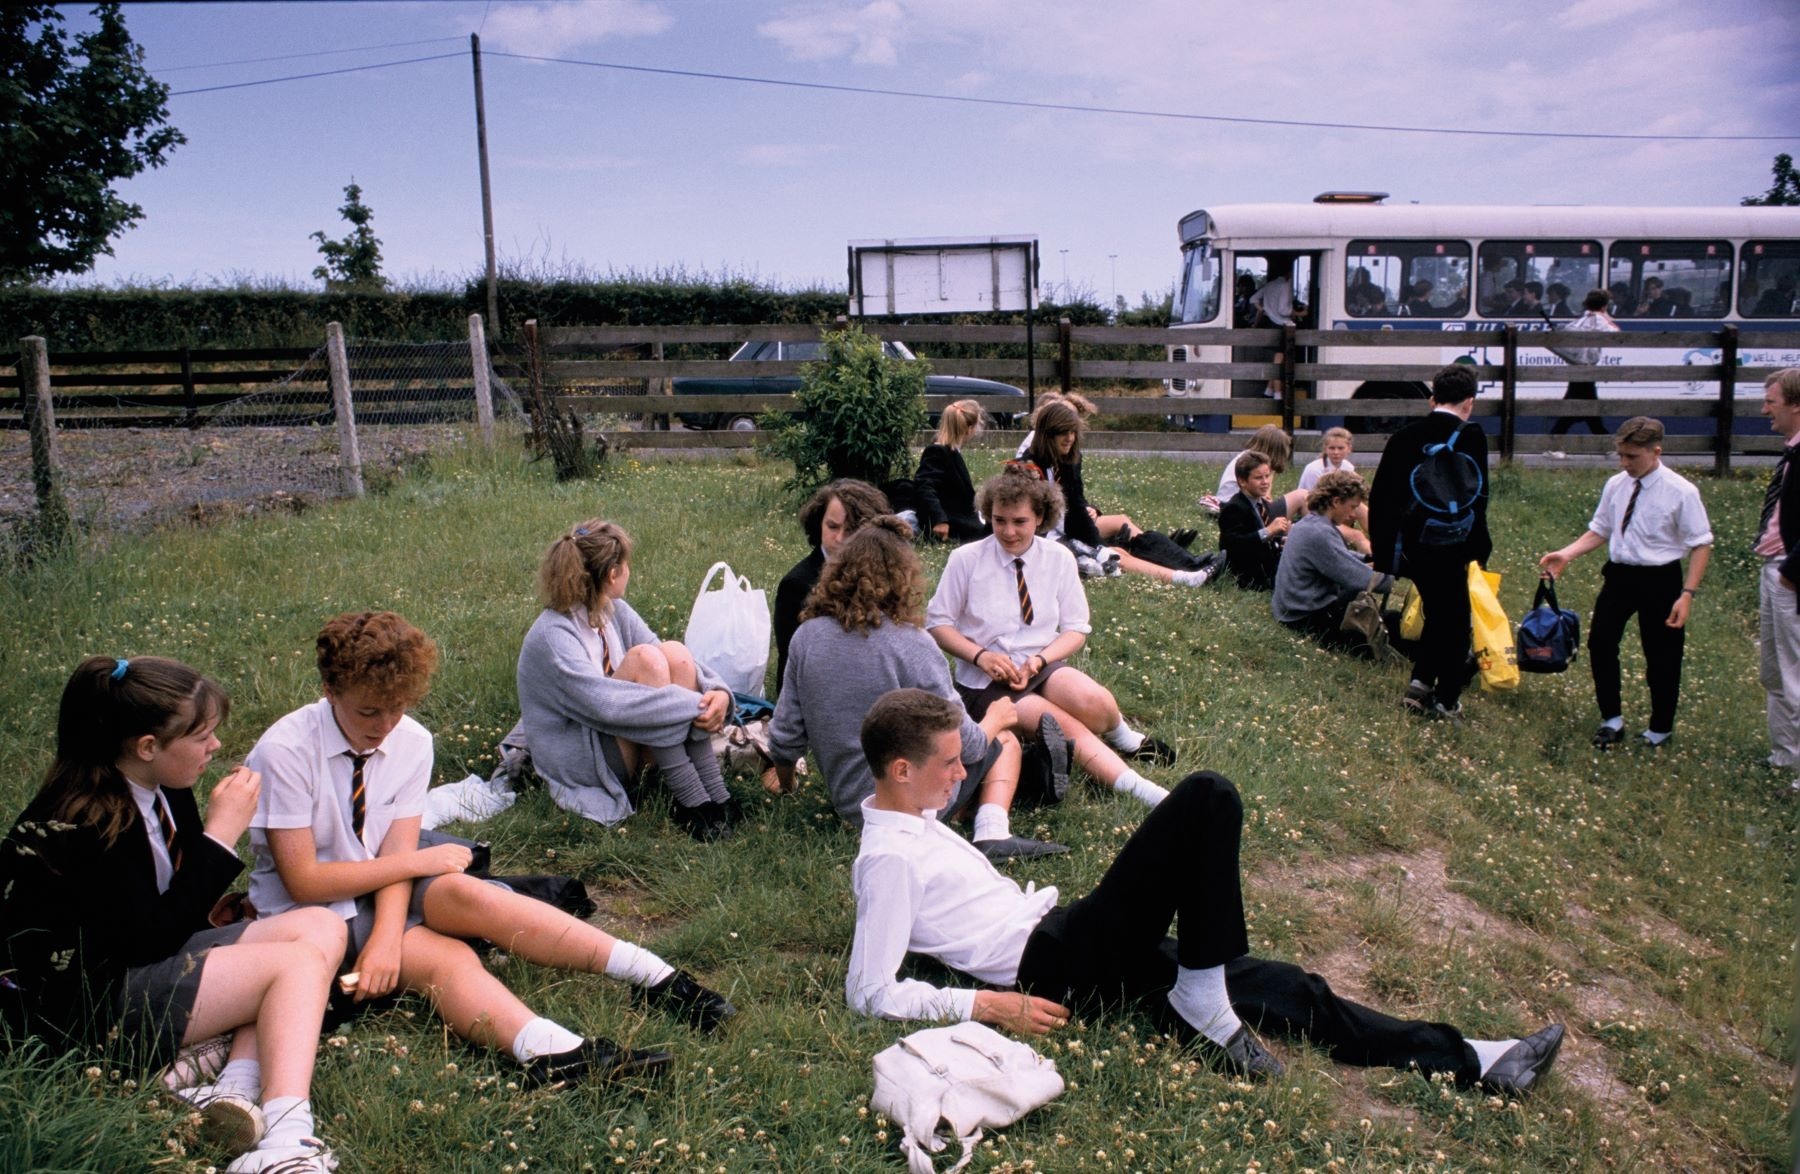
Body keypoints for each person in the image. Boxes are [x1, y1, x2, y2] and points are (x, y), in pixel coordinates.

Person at [843, 688, 1567, 1094]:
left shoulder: (919, 818)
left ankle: (1478, 1056)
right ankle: (1200, 997)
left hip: (1071, 939)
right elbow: (869, 991)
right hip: (1052, 960)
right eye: (946, 764)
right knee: (1206, 797)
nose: (958, 774)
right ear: (899, 771)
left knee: (1280, 988)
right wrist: (989, 1003)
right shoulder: (888, 861)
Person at [248, 612, 736, 1092]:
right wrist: (408, 885)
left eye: (397, 708)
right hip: (313, 914)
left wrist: (387, 931)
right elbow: (304, 880)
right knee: (445, 958)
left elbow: (395, 848)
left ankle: (657, 978)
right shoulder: (286, 751)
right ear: (330, 692)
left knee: (472, 896)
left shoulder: (411, 740)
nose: (385, 725)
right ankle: (551, 1052)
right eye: (367, 712)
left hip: (383, 878)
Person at [0, 656, 349, 1172]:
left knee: (321, 924)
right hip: (91, 1008)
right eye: (203, 736)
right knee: (294, 966)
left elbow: (169, 909)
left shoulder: (167, 786)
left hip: (140, 959)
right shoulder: (82, 820)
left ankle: (235, 1084)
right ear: (147, 747)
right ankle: (286, 1139)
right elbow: (148, 941)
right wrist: (219, 838)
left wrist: (217, 909)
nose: (216, 747)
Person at [767, 516, 1065, 860]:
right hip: (906, 804)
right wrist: (997, 718)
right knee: (1003, 742)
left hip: (849, 804)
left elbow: (786, 735)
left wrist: (787, 787)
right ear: (902, 578)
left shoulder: (807, 637)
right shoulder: (913, 643)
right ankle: (992, 830)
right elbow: (968, 745)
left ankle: (1018, 782)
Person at [927, 473, 1177, 809]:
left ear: (1041, 518)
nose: (1008, 531)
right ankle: (1146, 792)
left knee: (1094, 699)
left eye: (1020, 522)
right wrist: (980, 656)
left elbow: (1076, 628)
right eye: (999, 520)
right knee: (1061, 723)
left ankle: (1126, 739)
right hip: (985, 681)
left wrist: (1040, 661)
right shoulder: (967, 559)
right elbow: (938, 624)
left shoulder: (1058, 558)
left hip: (1039, 665)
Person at [516, 521, 736, 839]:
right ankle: (691, 801)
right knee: (645, 661)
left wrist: (717, 693)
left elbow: (670, 655)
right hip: (587, 758)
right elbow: (605, 706)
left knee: (673, 652)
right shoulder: (552, 636)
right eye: (626, 564)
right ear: (612, 574)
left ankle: (715, 795)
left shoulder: (611, 608)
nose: (629, 570)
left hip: (620, 735)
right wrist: (697, 706)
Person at [1538, 418, 1713, 749]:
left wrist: (1687, 594)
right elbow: (1601, 529)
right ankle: (1611, 719)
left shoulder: (1682, 492)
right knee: (1601, 643)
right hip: (1620, 575)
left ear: (1655, 452)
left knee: (1661, 655)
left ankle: (1660, 729)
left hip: (1661, 579)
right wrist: (1567, 554)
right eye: (1621, 455)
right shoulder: (1616, 484)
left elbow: (1701, 543)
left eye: (1632, 457)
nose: (1624, 463)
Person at [1368, 364, 1492, 719]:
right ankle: (1448, 699)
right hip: (1455, 542)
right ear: (1469, 401)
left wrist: (1384, 553)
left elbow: (1383, 497)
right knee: (1455, 620)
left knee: (1438, 611)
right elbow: (1479, 497)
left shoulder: (1405, 436)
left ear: (1432, 398)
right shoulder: (1472, 436)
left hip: (1415, 543)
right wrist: (1480, 549)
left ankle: (1420, 683)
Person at [1019, 400, 1225, 588]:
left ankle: (1189, 563)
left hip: (1069, 525)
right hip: (1048, 536)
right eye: (1063, 432)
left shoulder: (1068, 459)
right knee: (1117, 553)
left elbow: (1076, 501)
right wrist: (1098, 547)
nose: (1069, 438)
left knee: (1121, 521)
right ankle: (1184, 578)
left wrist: (1091, 513)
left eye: (1073, 432)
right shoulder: (1029, 467)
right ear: (1048, 434)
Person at [773, 480, 891, 694]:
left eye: (851, 530)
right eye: (833, 527)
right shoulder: (796, 584)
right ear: (818, 524)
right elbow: (789, 667)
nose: (839, 538)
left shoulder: (886, 575)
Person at [1272, 472, 1393, 652]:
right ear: (1336, 501)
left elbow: (1340, 555)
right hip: (1305, 618)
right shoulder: (1320, 533)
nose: (1353, 515)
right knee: (1392, 629)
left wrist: (1368, 559)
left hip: (1293, 610)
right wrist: (1388, 575)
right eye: (1352, 507)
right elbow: (1356, 578)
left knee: (1385, 618)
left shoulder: (1312, 523)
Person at [1754, 369, 1800, 788]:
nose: (1765, 408)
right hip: (1776, 568)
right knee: (1774, 671)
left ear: (1796, 405)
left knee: (1794, 671)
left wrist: (1791, 572)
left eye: (1772, 401)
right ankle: (1785, 757)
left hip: (1790, 574)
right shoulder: (1793, 452)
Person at [915, 399, 990, 544]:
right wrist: (939, 520)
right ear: (969, 429)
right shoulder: (937, 452)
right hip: (951, 521)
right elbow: (924, 487)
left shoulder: (951, 451)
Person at [1549, 289, 1619, 440]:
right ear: (1604, 306)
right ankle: (1604, 441)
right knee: (1586, 406)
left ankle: (1556, 439)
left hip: (1576, 365)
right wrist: (1605, 315)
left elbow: (1566, 330)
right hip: (1587, 367)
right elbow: (1615, 333)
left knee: (1579, 405)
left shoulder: (1581, 319)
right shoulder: (1600, 319)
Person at [1218, 452, 1289, 590]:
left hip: (1267, 566)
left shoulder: (1263, 504)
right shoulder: (1234, 507)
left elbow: (1267, 541)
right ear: (1243, 481)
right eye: (1258, 478)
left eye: (1267, 476)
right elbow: (1232, 545)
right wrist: (1267, 532)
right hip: (1248, 575)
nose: (1265, 482)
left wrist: (1281, 541)